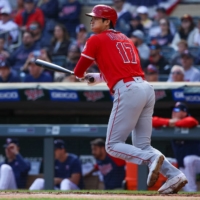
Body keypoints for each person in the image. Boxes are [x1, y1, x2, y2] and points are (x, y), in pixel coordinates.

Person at [73, 5, 187, 194]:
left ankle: (151, 160)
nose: (92, 20)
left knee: (111, 145)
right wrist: (97, 77)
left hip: (128, 91)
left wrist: (81, 74)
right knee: (143, 145)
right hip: (144, 88)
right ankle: (175, 175)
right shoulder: (125, 38)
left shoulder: (95, 39)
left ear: (107, 21)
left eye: (96, 17)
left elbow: (78, 70)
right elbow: (120, 69)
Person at [153, 102, 199, 192]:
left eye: (177, 110)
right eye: (173, 110)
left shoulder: (189, 121)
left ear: (184, 112)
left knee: (189, 160)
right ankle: (168, 187)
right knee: (161, 160)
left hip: (197, 161)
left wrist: (174, 122)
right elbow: (152, 120)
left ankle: (192, 192)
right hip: (181, 163)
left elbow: (191, 121)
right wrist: (169, 122)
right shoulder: (171, 124)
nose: (174, 112)